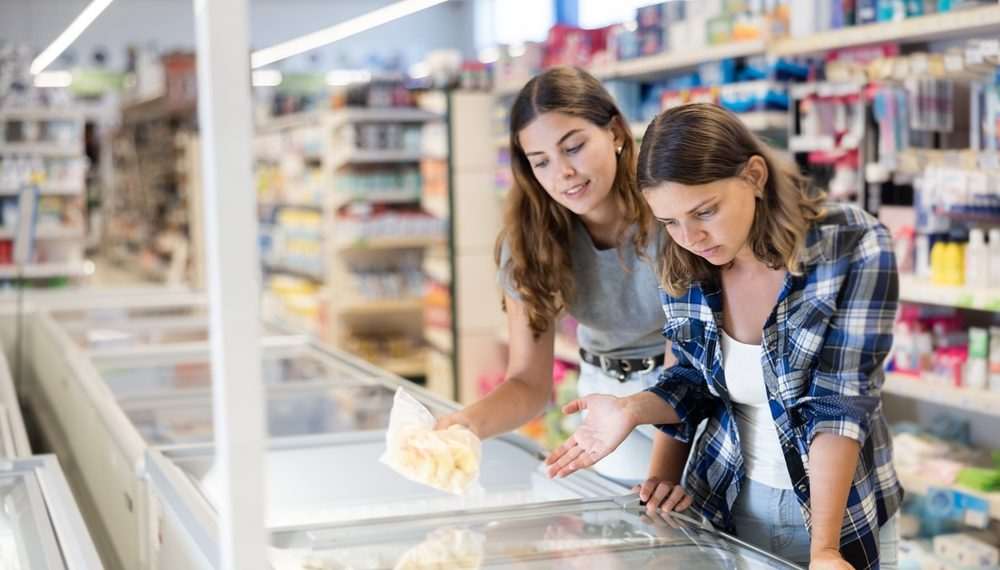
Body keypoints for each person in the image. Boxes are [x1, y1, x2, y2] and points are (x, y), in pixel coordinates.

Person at [545, 103, 902, 570]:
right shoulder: (683, 259)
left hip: (840, 512)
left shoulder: (850, 245)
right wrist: (632, 409)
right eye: (670, 222)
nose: (690, 236)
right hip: (726, 499)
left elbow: (838, 402)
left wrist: (825, 551)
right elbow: (693, 379)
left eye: (705, 211)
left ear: (754, 176)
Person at [435, 66, 691, 509]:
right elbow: (528, 384)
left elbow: (686, 363)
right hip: (603, 396)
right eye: (541, 162)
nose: (564, 173)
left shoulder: (671, 214)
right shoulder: (529, 243)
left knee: (672, 521)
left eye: (574, 147)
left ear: (613, 131)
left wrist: (660, 478)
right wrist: (465, 424)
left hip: (691, 396)